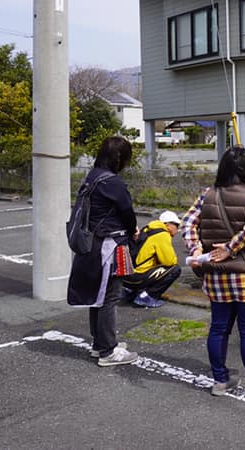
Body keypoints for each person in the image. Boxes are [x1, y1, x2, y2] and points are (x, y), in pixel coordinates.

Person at [180, 146, 245, 397]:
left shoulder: (208, 193)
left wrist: (195, 248)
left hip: (214, 275)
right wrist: (230, 248)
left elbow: (187, 222)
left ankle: (220, 381)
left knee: (218, 328)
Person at [67, 136, 140, 367]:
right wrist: (133, 231)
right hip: (109, 245)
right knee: (110, 296)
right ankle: (108, 351)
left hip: (92, 244)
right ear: (119, 158)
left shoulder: (93, 177)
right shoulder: (113, 182)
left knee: (97, 297)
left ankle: (100, 344)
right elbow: (127, 213)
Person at [123, 210, 183, 308]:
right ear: (168, 224)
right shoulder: (162, 234)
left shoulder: (148, 229)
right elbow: (169, 261)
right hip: (137, 278)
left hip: (126, 277)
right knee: (174, 269)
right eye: (176, 225)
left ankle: (130, 292)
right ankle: (147, 297)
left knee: (153, 263)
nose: (177, 229)